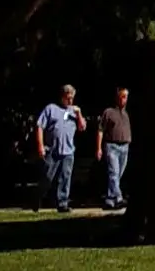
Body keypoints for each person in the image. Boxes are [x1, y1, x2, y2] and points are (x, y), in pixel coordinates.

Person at [33, 85, 84, 214]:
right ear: (62, 97)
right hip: (52, 150)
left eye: (72, 98)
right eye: (68, 98)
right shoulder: (51, 109)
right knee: (47, 177)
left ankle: (62, 203)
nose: (70, 101)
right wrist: (40, 145)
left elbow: (82, 127)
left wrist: (78, 114)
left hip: (68, 151)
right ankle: (37, 198)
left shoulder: (74, 111)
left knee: (65, 178)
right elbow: (39, 126)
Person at [96, 89, 134, 212]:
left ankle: (109, 200)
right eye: (122, 96)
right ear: (117, 97)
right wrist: (99, 148)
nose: (124, 99)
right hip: (112, 146)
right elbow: (100, 130)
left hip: (125, 147)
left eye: (126, 97)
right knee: (114, 172)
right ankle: (118, 197)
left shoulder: (127, 114)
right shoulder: (109, 112)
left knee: (118, 175)